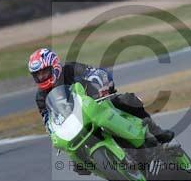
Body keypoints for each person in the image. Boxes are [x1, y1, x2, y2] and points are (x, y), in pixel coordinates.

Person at [28, 48, 174, 144]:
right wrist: (52, 130)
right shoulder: (41, 97)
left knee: (127, 100)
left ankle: (155, 130)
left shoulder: (71, 69)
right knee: (69, 143)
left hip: (98, 103)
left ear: (54, 66)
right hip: (76, 122)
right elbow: (48, 119)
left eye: (44, 71)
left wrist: (101, 86)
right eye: (38, 74)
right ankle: (84, 161)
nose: (41, 76)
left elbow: (96, 73)